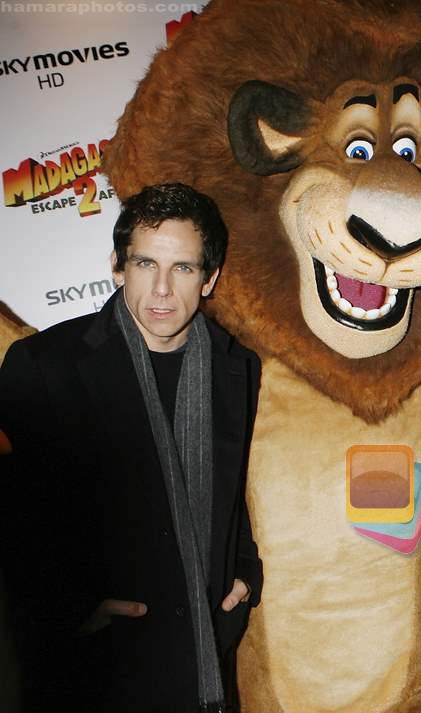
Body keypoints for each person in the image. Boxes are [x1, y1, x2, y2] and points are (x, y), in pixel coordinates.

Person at [0, 183, 263, 713]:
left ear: (209, 278)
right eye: (146, 263)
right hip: (95, 668)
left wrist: (243, 572)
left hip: (204, 659)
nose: (162, 289)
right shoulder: (45, 366)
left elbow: (231, 490)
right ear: (118, 266)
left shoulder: (237, 367)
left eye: (184, 268)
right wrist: (70, 609)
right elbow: (13, 518)